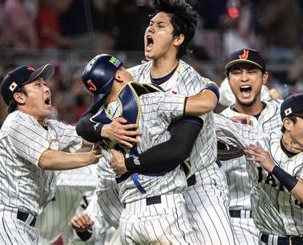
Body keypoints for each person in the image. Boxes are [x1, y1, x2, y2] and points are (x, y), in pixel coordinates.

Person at [83, 0, 234, 244]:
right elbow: (84, 122)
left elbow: (179, 149)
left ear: (178, 38)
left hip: (198, 185)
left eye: (160, 25)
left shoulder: (190, 82)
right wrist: (104, 131)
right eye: (150, 24)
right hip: (153, 187)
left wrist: (129, 164)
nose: (150, 29)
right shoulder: (133, 76)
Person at [76, 53, 220, 243]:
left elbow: (82, 127)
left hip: (129, 219)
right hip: (163, 212)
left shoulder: (99, 123)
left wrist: (104, 131)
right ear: (118, 76)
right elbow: (205, 103)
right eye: (123, 69)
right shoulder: (151, 100)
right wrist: (210, 85)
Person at [218, 48, 303, 244]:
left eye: (251, 72)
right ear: (228, 79)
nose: (244, 79)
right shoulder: (221, 124)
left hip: (293, 214)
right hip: (237, 218)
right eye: (237, 72)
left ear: (264, 77)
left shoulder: (286, 110)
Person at [0, 64, 101, 244]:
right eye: (37, 85)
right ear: (19, 97)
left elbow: (83, 137)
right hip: (3, 222)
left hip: (21, 226)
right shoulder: (17, 121)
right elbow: (46, 159)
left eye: (45, 83)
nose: (47, 88)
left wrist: (108, 130)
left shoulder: (50, 127)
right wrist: (89, 158)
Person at [214, 93, 303, 244]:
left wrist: (273, 167)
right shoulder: (259, 141)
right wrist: (227, 121)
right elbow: (209, 121)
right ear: (287, 123)